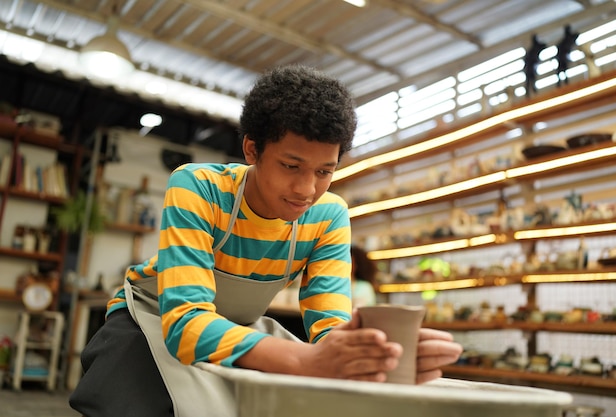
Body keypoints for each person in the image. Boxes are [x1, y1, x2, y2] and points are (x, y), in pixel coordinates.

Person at [69, 65, 462, 417]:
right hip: (153, 319)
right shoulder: (199, 187)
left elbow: (329, 329)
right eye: (291, 166)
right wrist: (308, 361)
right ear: (252, 150)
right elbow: (186, 325)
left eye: (325, 171)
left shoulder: (328, 215)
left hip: (238, 327)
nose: (306, 189)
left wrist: (377, 354)